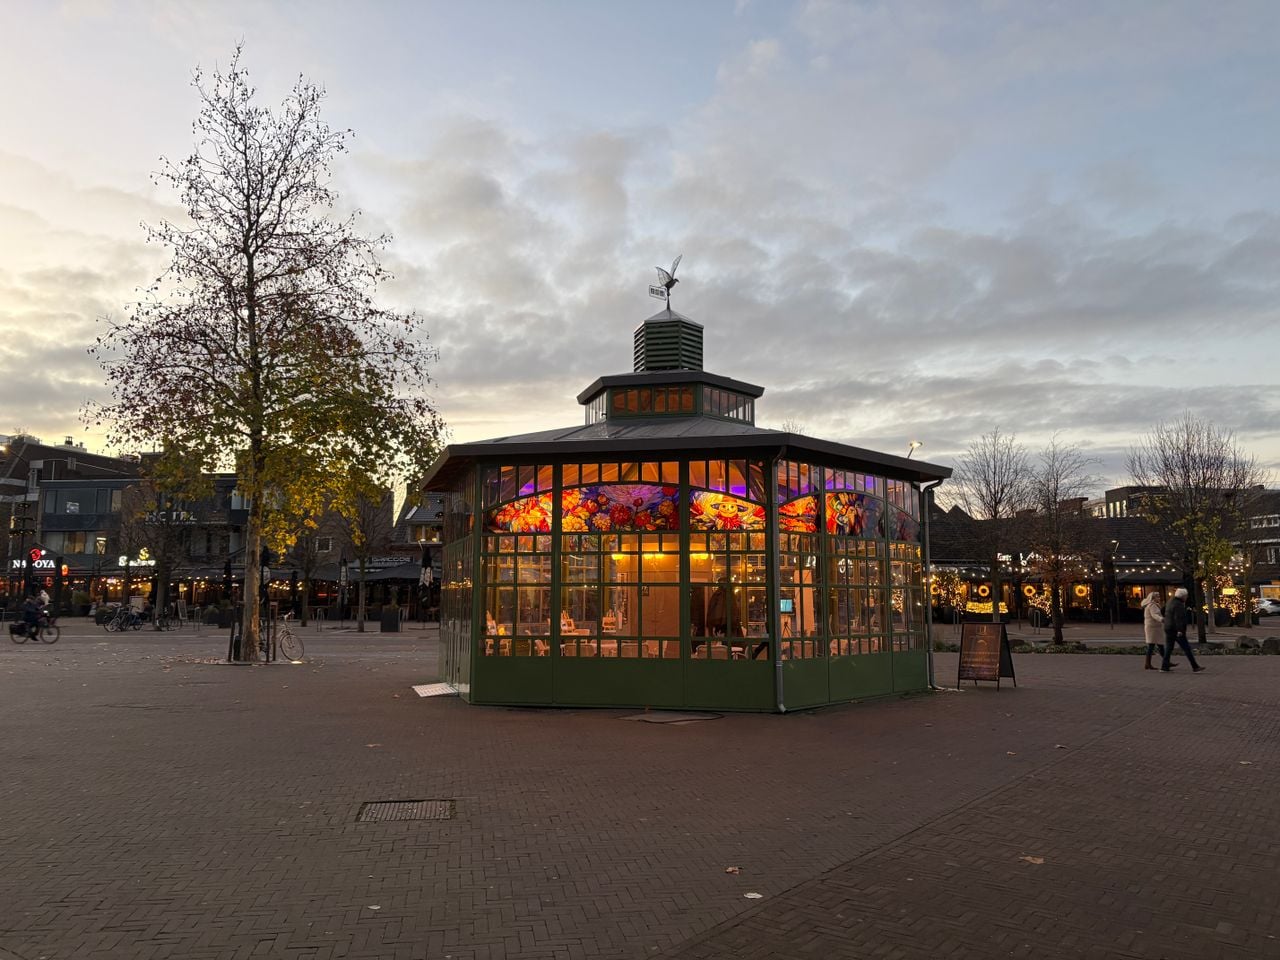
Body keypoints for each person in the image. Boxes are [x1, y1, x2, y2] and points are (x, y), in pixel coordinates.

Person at [1160, 587, 1204, 673]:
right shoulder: (1179, 605)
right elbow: (1178, 618)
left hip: (1168, 627)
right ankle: (1195, 666)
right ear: (1183, 596)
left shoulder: (1170, 601)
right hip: (1176, 629)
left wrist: (1167, 618)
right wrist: (1180, 630)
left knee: (1169, 647)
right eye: (1186, 596)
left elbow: (1162, 610)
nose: (1186, 597)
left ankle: (1164, 666)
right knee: (1186, 648)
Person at [1141, 591, 1166, 670]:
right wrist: (1162, 619)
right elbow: (1154, 615)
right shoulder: (1152, 605)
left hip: (1154, 628)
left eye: (1159, 596)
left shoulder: (1153, 605)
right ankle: (1148, 664)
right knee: (1153, 646)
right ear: (1153, 598)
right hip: (1153, 628)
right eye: (1157, 597)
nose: (1159, 598)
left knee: (1157, 645)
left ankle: (1149, 663)